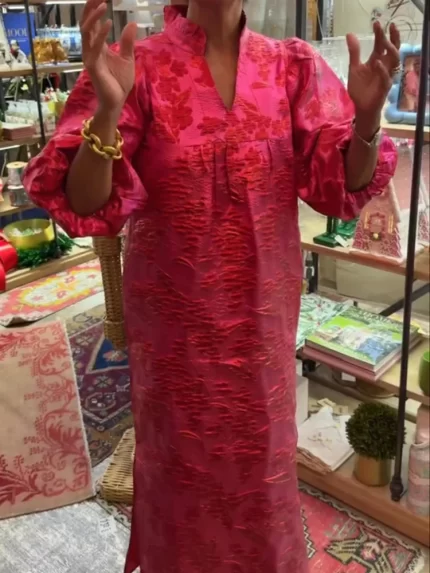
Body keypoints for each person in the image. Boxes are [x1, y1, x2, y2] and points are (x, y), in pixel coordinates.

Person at [23, 2, 399, 572]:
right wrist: (107, 112)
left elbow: (338, 188)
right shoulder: (138, 65)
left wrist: (366, 121)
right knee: (181, 485)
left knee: (262, 483)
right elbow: (84, 203)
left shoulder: (291, 67)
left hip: (261, 337)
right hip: (175, 346)